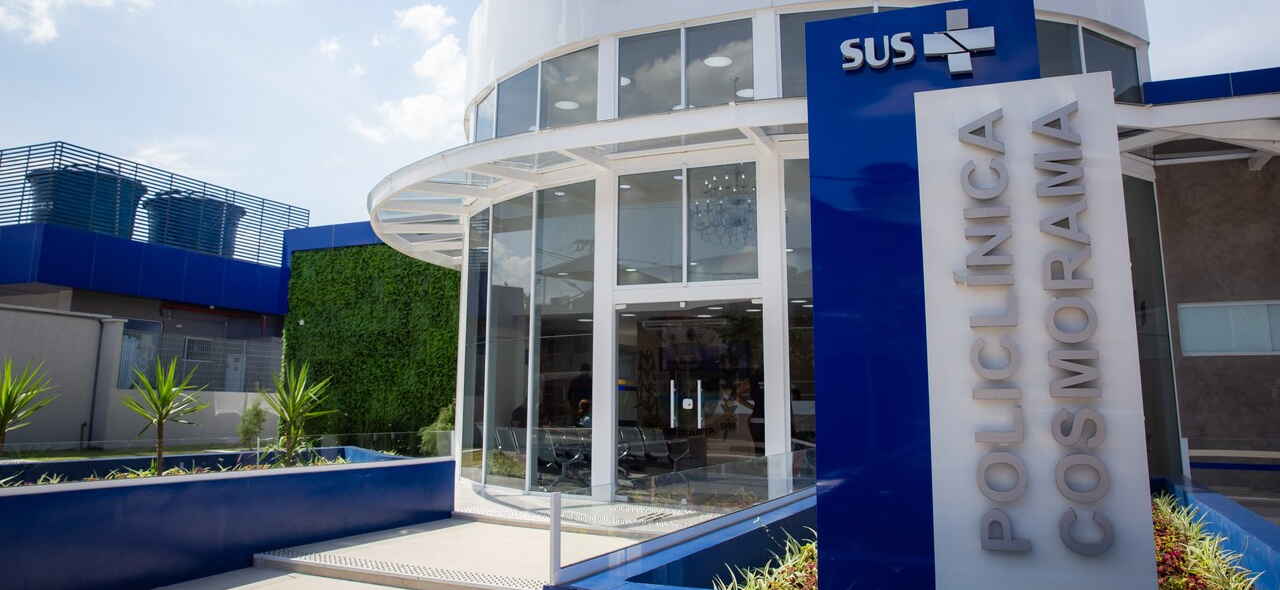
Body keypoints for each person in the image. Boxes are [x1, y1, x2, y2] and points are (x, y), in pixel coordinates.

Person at [737, 363, 765, 456]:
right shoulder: (777, 377)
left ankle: (762, 464)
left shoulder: (751, 380)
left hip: (757, 419)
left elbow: (735, 395)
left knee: (760, 451)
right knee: (776, 449)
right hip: (773, 419)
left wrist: (751, 407)